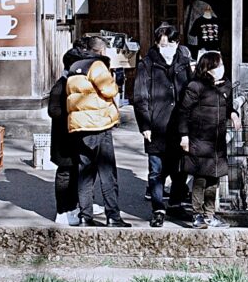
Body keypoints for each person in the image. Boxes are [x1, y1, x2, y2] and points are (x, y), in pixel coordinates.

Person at [131, 21, 192, 223]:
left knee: (179, 169)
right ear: (157, 43)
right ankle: (158, 208)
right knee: (156, 171)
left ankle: (175, 203)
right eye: (163, 45)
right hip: (156, 124)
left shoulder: (184, 62)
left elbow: (191, 92)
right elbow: (140, 97)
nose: (167, 49)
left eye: (171, 44)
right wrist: (145, 125)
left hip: (180, 124)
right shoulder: (146, 64)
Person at [62, 35, 126, 226]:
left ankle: (85, 216)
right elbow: (110, 90)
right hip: (98, 125)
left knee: (85, 174)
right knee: (107, 174)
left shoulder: (73, 67)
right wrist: (115, 79)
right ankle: (113, 216)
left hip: (80, 126)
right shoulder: (96, 66)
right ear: (101, 51)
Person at [176, 50, 234, 227]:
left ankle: (210, 213)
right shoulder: (195, 86)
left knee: (214, 178)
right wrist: (184, 136)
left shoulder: (225, 86)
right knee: (200, 178)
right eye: (218, 65)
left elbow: (228, 106)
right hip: (198, 137)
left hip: (217, 140)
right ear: (208, 68)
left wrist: (233, 113)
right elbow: (183, 112)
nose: (221, 69)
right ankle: (197, 214)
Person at [45, 40, 88, 224]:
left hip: (74, 136)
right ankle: (62, 211)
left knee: (75, 173)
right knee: (65, 173)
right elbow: (53, 111)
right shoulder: (61, 86)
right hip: (63, 138)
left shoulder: (73, 84)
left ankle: (73, 206)